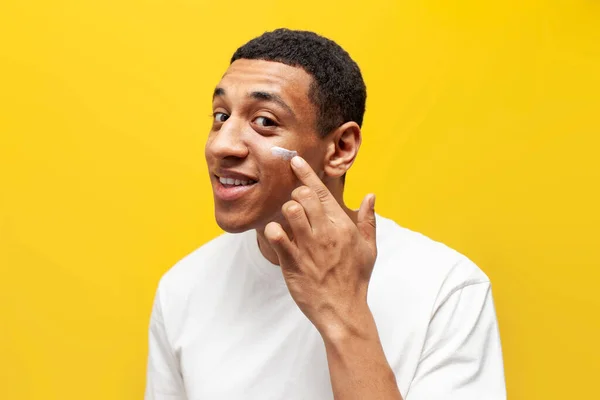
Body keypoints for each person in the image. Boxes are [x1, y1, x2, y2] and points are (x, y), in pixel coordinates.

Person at [145, 28, 506, 400]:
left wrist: (343, 311)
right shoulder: (182, 289)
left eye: (265, 121)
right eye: (221, 116)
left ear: (340, 149)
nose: (221, 144)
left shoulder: (447, 290)